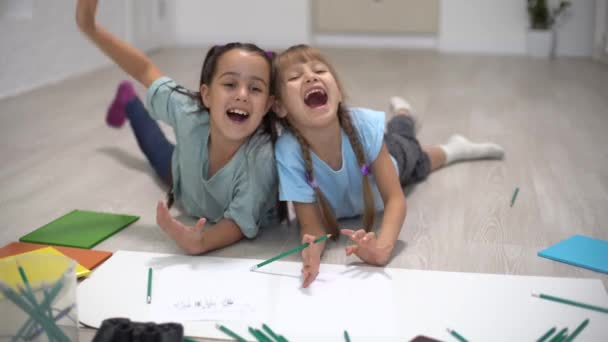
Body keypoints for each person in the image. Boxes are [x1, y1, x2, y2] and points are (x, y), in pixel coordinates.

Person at [271, 45, 504, 287]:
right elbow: (312, 227)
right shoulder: (288, 152)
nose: (311, 76)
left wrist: (383, 248)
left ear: (338, 92)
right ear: (279, 107)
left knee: (408, 145)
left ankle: (406, 114)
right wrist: (312, 254)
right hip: (368, 177)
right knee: (421, 166)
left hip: (394, 159)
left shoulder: (363, 126)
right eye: (295, 77)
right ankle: (453, 145)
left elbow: (395, 199)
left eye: (319, 70)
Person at [75, 0, 285, 254]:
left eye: (255, 88)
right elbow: (145, 69)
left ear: (267, 105)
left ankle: (128, 98)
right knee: (155, 147)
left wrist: (201, 242)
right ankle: (128, 98)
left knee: (160, 151)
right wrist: (89, 28)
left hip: (192, 186)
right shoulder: (191, 113)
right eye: (230, 84)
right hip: (184, 178)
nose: (242, 95)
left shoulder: (261, 157)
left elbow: (238, 222)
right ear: (206, 96)